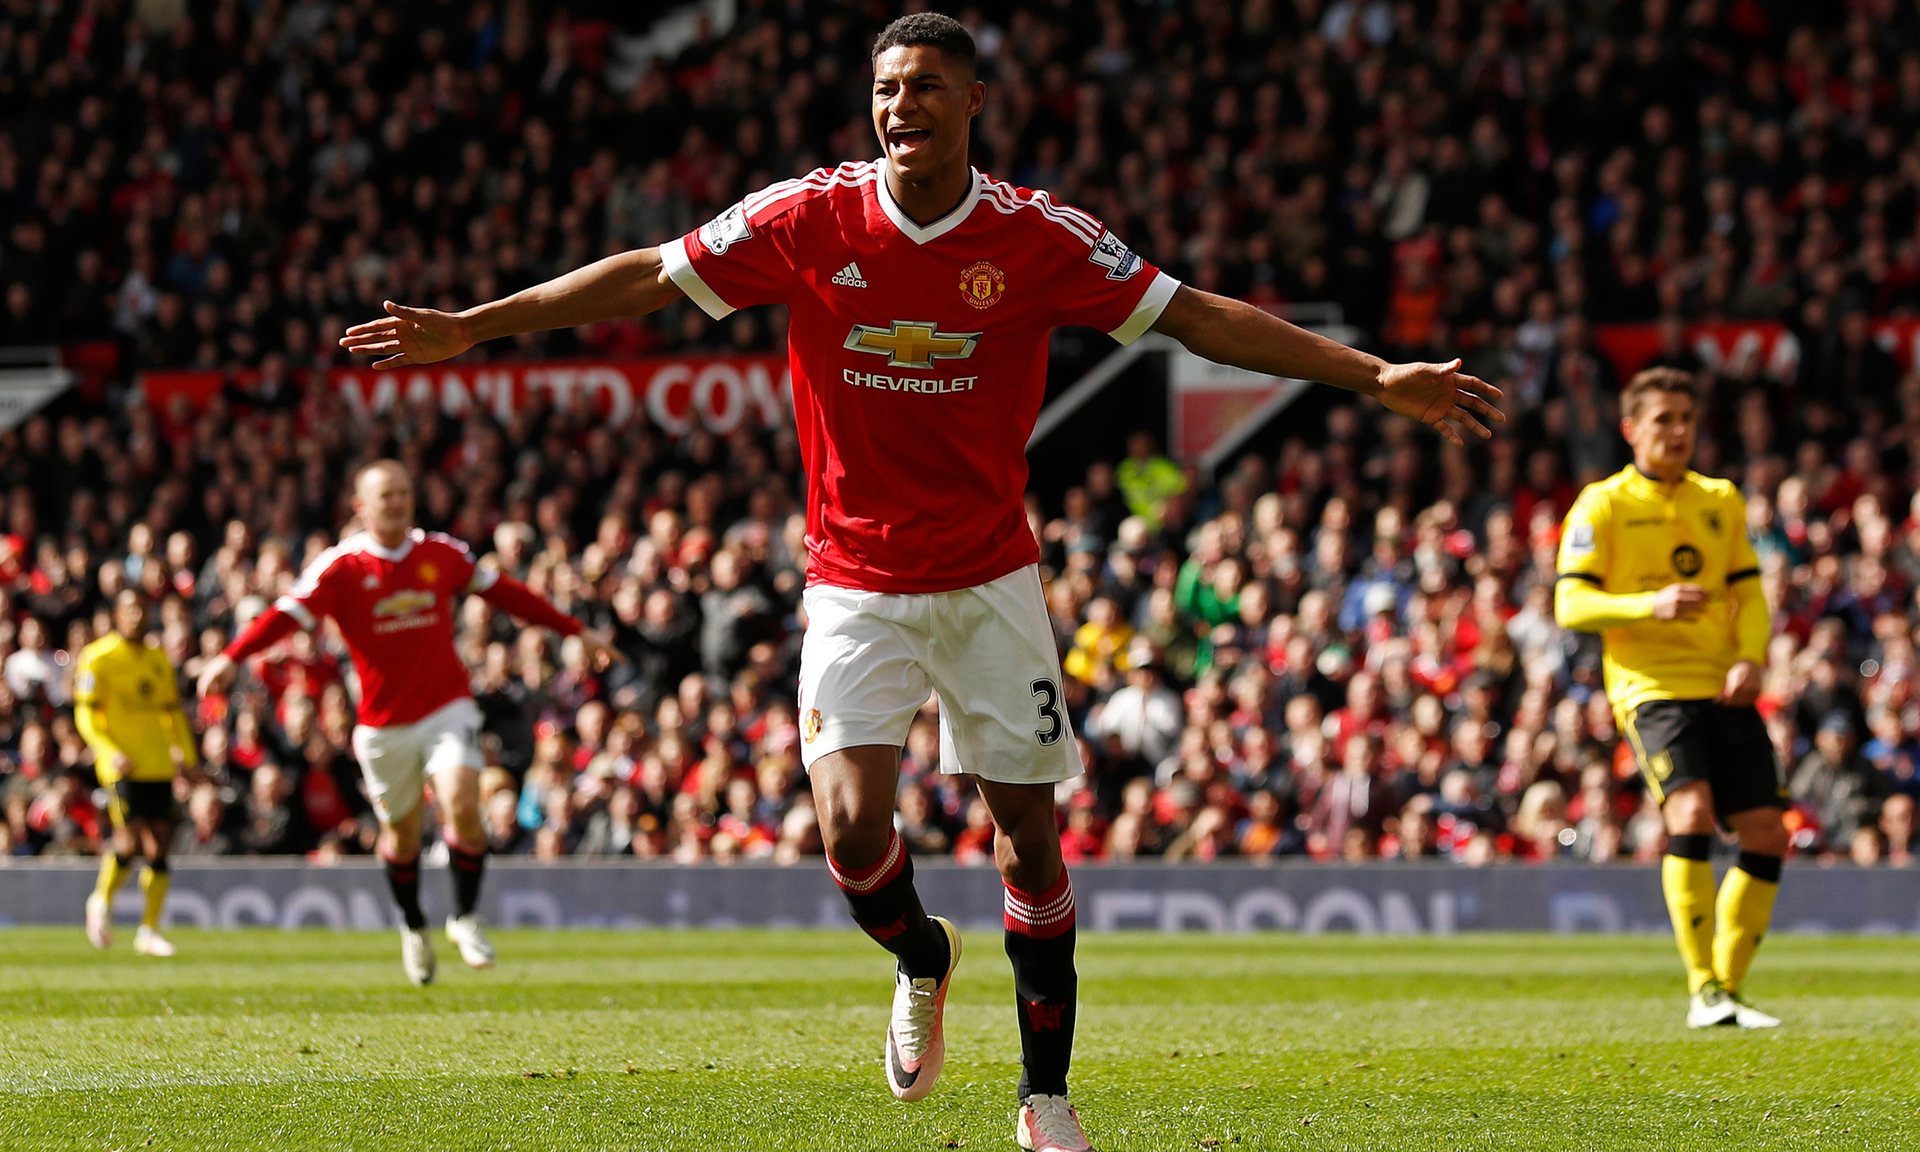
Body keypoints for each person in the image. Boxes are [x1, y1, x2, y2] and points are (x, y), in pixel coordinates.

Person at [336, 14, 1501, 1149]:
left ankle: (1044, 1098)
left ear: (974, 103)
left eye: (928, 87)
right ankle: (921, 957)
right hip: (852, 578)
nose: (904, 106)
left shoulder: (1039, 236)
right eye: (889, 87)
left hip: (993, 577)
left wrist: (1374, 376)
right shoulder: (809, 215)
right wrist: (474, 329)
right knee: (849, 833)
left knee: (1028, 851)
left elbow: (1194, 316)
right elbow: (650, 272)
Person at [196, 461, 620, 985]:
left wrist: (574, 629)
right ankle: (414, 925)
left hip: (447, 707)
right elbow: (283, 615)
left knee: (464, 803)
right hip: (382, 726)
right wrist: (231, 657)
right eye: (384, 496)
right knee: (400, 834)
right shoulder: (340, 568)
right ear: (361, 506)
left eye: (402, 493)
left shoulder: (440, 554)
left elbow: (505, 593)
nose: (395, 503)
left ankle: (464, 917)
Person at [1555, 367, 1787, 1030]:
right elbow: (1570, 603)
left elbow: (1749, 593)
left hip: (1724, 682)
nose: (1678, 431)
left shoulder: (1721, 498)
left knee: (1767, 832)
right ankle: (1703, 986)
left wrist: (1751, 657)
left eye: (1686, 419)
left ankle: (1728, 991)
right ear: (1632, 429)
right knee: (1689, 811)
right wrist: (1647, 605)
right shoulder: (1602, 505)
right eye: (1663, 420)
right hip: (1651, 687)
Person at [75, 589, 198, 956]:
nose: (137, 616)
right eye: (130, 609)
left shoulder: (158, 659)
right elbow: (85, 714)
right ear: (116, 614)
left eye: (143, 609)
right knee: (129, 841)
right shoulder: (99, 657)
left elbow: (172, 713)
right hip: (122, 766)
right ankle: (100, 901)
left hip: (158, 764)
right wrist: (109, 751)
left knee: (159, 846)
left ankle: (149, 931)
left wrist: (187, 758)